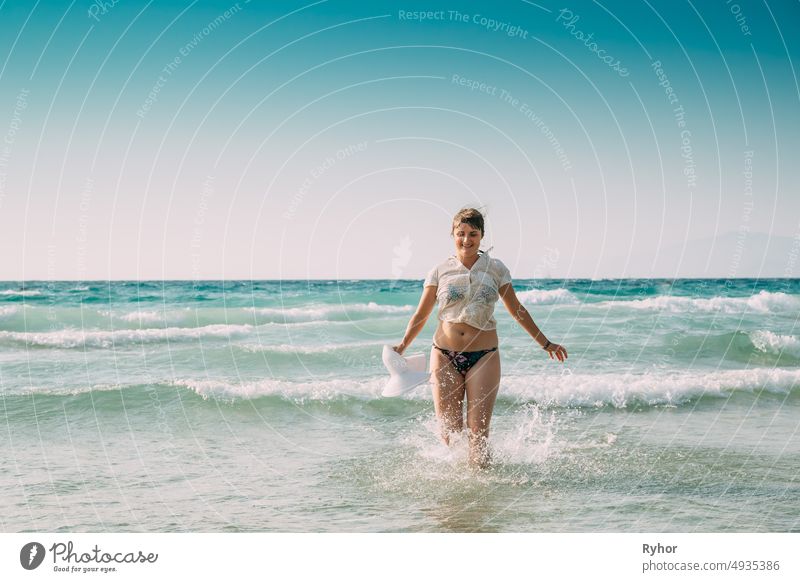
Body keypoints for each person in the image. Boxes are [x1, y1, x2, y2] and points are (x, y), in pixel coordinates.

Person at [393, 207, 567, 469]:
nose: (466, 239)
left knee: (478, 436)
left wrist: (545, 343)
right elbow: (421, 314)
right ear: (452, 234)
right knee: (450, 434)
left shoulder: (496, 269)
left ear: (482, 235)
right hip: (443, 354)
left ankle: (483, 494)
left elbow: (517, 309)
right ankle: (460, 497)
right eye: (460, 233)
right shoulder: (440, 271)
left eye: (472, 234)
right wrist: (402, 345)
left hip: (484, 356)